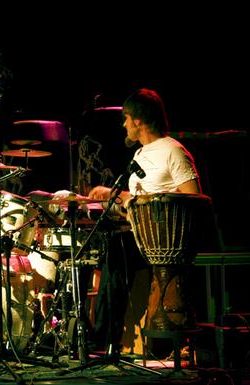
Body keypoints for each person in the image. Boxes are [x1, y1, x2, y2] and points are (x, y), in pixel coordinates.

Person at [86, 88, 201, 357]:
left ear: (138, 120)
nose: (123, 124)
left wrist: (124, 196)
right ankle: (105, 342)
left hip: (167, 243)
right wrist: (107, 202)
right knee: (106, 249)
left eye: (126, 118)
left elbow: (193, 199)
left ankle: (104, 341)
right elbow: (135, 204)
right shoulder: (139, 154)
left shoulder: (173, 151)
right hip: (142, 237)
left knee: (116, 253)